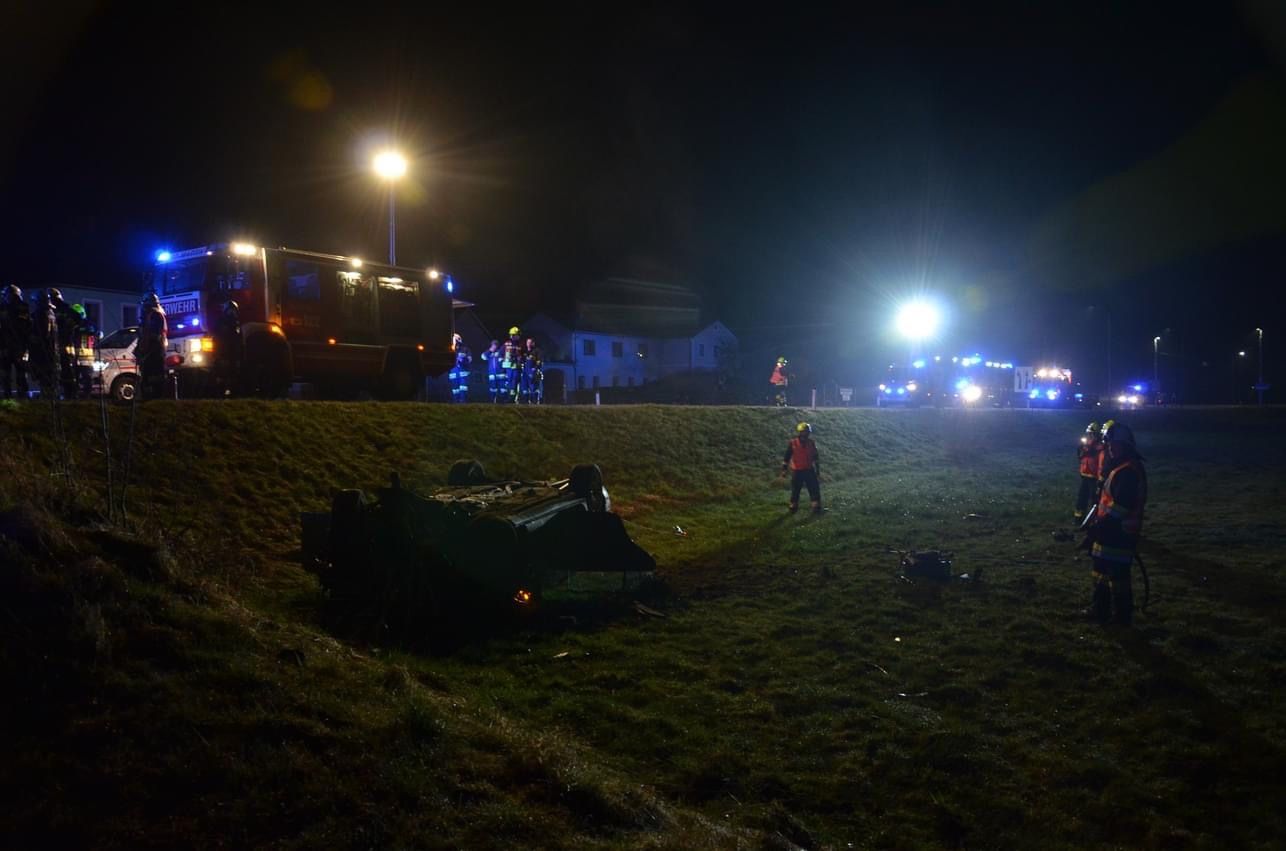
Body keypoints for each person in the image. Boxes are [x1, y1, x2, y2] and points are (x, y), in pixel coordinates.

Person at [1081, 421, 1148, 625]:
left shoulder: (1127, 472)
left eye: (1113, 444)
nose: (1109, 448)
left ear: (1125, 445)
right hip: (1109, 532)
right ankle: (1100, 610)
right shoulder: (1119, 468)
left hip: (1119, 534)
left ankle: (1121, 617)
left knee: (1118, 578)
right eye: (1108, 444)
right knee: (1100, 573)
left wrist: (1100, 527)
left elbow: (1120, 507)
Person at [780, 421, 823, 513]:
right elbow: (786, 457)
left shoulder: (811, 443)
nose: (807, 434)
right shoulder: (793, 443)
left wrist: (817, 470)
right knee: (796, 489)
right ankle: (793, 506)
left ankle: (816, 506)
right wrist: (784, 470)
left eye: (808, 432)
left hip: (809, 470)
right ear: (801, 432)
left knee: (814, 488)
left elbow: (816, 457)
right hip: (797, 471)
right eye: (805, 432)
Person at [1, 284, 32, 400]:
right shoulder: (23, 307)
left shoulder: (17, 308)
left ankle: (10, 394)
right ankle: (19, 395)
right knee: (15, 372)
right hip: (15, 346)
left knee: (12, 372)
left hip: (13, 345)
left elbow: (26, 327)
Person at [136, 292, 168, 400]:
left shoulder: (155, 315)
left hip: (154, 351)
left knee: (154, 376)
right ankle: (150, 397)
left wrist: (145, 351)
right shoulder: (152, 315)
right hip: (152, 350)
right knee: (148, 375)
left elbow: (153, 335)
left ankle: (154, 397)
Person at [29, 289, 59, 397]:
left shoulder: (40, 314)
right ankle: (50, 395)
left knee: (44, 374)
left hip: (42, 349)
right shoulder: (51, 313)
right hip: (52, 348)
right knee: (50, 374)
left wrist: (31, 338)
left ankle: (46, 396)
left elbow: (41, 333)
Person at [212, 299, 242, 396]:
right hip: (227, 352)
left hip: (227, 352)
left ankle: (227, 390)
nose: (232, 313)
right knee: (228, 371)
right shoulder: (229, 323)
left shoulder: (224, 321)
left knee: (228, 371)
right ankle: (226, 390)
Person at [1074, 421, 1101, 521]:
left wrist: (1089, 447)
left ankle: (1094, 519)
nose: (1089, 435)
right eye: (1088, 433)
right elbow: (1081, 457)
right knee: (1081, 497)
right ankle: (1078, 518)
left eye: (1091, 433)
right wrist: (1081, 448)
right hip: (1085, 475)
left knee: (1094, 499)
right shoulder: (1086, 443)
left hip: (1094, 477)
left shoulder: (1100, 444)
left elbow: (1095, 452)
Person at [501, 326, 523, 403]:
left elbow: (523, 356)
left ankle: (512, 398)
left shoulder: (521, 345)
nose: (513, 336)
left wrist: (519, 359)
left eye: (515, 335)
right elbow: (501, 353)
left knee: (514, 383)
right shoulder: (506, 344)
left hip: (516, 367)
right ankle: (509, 397)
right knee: (509, 383)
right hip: (508, 367)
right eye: (512, 335)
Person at [448, 333, 471, 403]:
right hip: (453, 372)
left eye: (455, 340)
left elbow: (469, 360)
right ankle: (455, 403)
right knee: (455, 390)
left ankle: (463, 403)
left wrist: (463, 360)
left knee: (463, 389)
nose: (455, 342)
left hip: (463, 372)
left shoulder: (465, 349)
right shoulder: (450, 349)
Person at [519, 337, 543, 404]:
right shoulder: (524, 351)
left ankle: (534, 401)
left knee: (533, 388)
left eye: (530, 343)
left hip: (533, 372)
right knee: (524, 388)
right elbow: (521, 360)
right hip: (525, 372)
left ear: (533, 343)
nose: (528, 344)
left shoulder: (537, 351)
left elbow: (539, 361)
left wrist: (535, 369)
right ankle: (525, 401)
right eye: (527, 343)